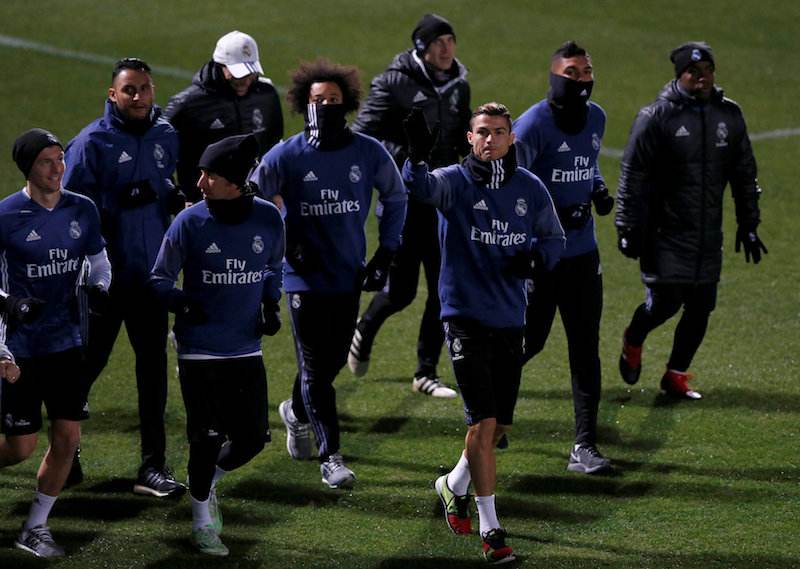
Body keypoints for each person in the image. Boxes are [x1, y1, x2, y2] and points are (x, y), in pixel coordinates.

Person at [402, 103, 565, 563]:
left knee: (499, 425)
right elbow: (420, 187)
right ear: (470, 139)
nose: (490, 139)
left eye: (498, 132)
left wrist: (537, 259)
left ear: (512, 139)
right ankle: (491, 529)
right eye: (482, 132)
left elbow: (554, 238)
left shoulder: (529, 187)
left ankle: (452, 484)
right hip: (464, 318)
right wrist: (416, 158)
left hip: (511, 318)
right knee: (483, 422)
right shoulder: (453, 182)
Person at [250, 58, 407, 489]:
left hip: (348, 274)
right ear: (304, 104)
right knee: (318, 368)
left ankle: (295, 411)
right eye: (318, 100)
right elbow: (253, 201)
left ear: (348, 104)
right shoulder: (287, 154)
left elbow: (396, 197)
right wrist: (285, 243)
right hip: (301, 276)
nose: (326, 106)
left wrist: (386, 252)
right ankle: (331, 457)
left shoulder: (367, 151)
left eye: (334, 100)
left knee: (331, 361)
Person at [150, 134, 284, 556]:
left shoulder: (268, 218)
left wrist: (271, 302)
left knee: (252, 440)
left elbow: (273, 266)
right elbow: (158, 278)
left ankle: (206, 483)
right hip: (199, 349)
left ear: (235, 182)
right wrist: (181, 303)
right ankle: (201, 523)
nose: (199, 182)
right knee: (206, 439)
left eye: (209, 175)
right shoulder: (188, 222)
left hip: (245, 347)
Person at [63, 58, 186, 497]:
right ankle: (65, 453)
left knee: (153, 372)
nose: (138, 96)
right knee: (85, 369)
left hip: (150, 277)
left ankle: (153, 466)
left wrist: (171, 196)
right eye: (129, 89)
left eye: (145, 88)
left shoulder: (165, 134)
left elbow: (162, 182)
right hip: (103, 281)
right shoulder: (90, 143)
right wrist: (123, 200)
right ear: (112, 94)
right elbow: (69, 210)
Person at [616, 42, 766, 399]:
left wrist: (749, 223)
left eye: (708, 72)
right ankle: (633, 338)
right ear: (679, 76)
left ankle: (675, 376)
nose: (703, 79)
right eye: (694, 73)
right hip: (663, 232)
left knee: (701, 307)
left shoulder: (729, 115)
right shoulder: (656, 117)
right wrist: (627, 226)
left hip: (707, 233)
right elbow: (632, 174)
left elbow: (744, 172)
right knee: (665, 303)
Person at [347, 13, 471, 398]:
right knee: (401, 292)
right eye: (438, 42)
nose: (446, 49)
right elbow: (361, 138)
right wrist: (410, 154)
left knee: (443, 288)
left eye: (450, 40)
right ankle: (365, 327)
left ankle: (425, 372)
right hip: (403, 201)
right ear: (421, 47)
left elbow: (459, 137)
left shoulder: (459, 85)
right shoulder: (392, 83)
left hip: (443, 199)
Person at [1, 129, 111, 557]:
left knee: (67, 439)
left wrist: (99, 287)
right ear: (28, 168)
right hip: (19, 349)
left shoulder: (82, 208)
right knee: (20, 447)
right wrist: (10, 308)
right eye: (46, 161)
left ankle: (35, 526)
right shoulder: (6, 215)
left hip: (66, 343)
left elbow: (99, 261)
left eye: (60, 158)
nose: (57, 168)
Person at [512, 41, 615, 474]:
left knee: (585, 347)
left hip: (584, 254)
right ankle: (488, 412)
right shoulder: (532, 125)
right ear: (555, 76)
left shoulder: (597, 118)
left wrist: (597, 187)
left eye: (587, 71)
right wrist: (554, 214)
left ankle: (584, 445)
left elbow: (586, 162)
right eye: (572, 72)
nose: (582, 79)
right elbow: (510, 187)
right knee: (529, 341)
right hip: (541, 257)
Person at [163, 30, 284, 205]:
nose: (246, 81)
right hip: (205, 200)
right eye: (239, 74)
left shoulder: (266, 94)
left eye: (250, 73)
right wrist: (180, 195)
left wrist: (277, 190)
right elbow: (157, 149)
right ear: (220, 65)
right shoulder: (187, 103)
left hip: (257, 197)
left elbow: (274, 146)